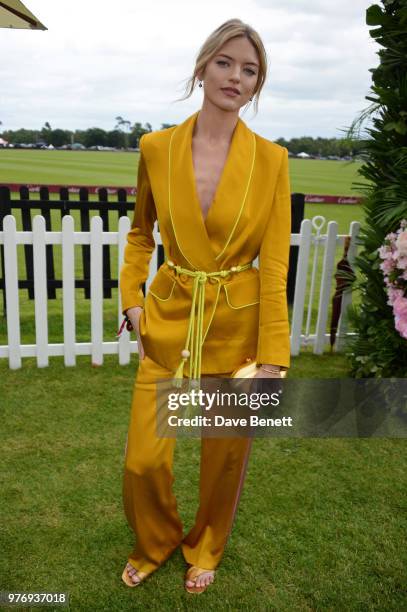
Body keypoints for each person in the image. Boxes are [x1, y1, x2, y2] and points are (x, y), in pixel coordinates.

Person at [118, 17, 291, 594]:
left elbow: (274, 265)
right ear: (202, 66)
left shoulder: (273, 161)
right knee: (143, 460)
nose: (236, 77)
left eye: (250, 71)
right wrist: (132, 301)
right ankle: (157, 539)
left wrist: (273, 355)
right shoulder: (156, 147)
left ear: (257, 86)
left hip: (236, 329)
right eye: (226, 63)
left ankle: (207, 545)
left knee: (223, 460)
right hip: (167, 320)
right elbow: (141, 234)